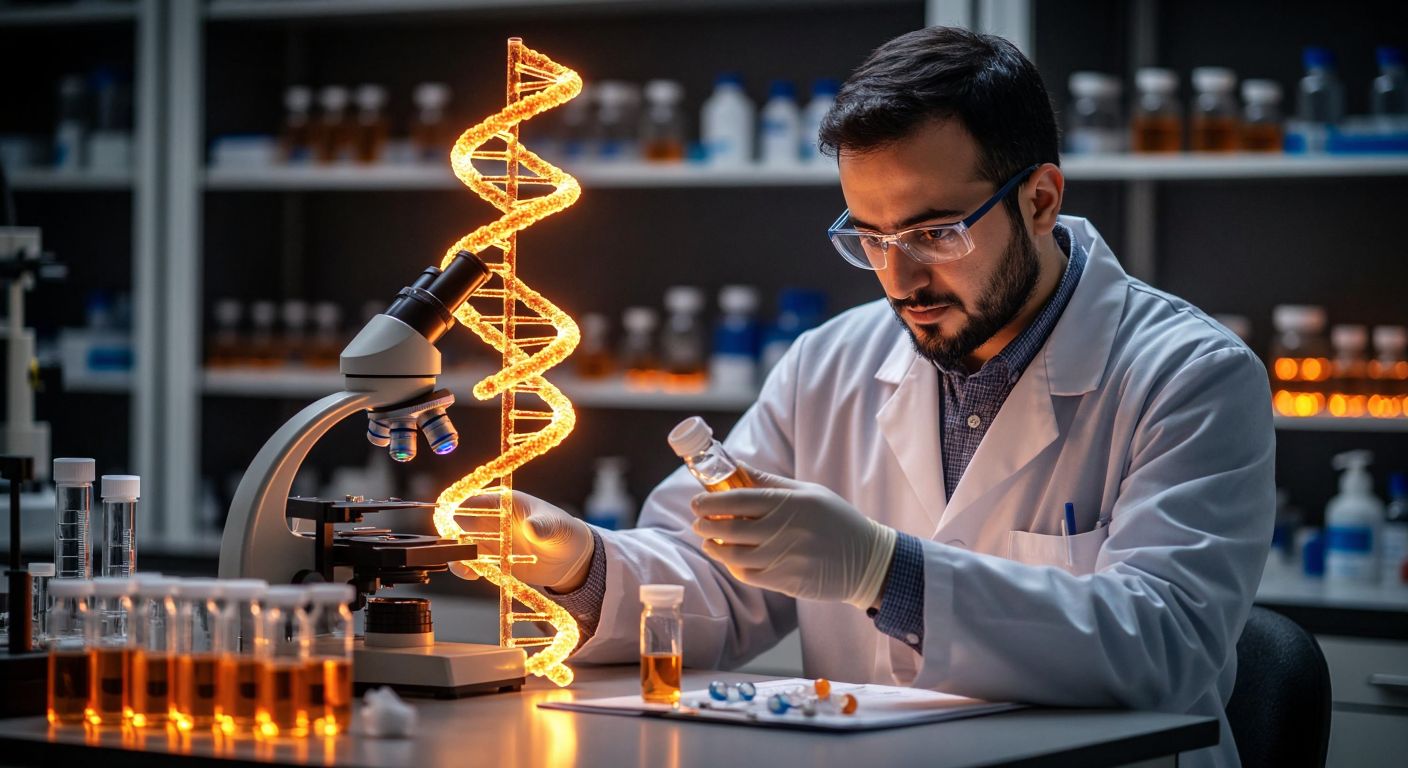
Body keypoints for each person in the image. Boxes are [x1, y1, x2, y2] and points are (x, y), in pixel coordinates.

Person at [470, 26, 1273, 768]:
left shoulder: (1190, 374)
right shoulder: (831, 362)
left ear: (1040, 200)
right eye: (869, 237)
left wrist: (887, 575)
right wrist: (581, 561)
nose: (900, 278)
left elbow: (1168, 646)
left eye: (934, 233)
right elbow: (709, 576)